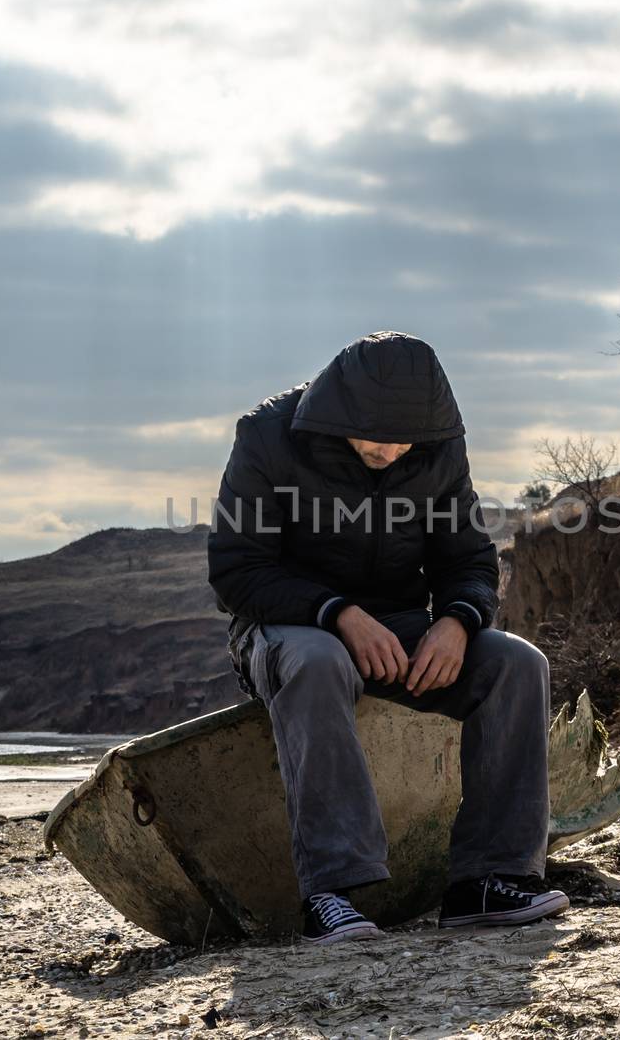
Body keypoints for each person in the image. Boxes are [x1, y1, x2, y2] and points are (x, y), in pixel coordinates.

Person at [206, 330, 568, 946]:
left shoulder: (438, 449)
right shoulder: (265, 437)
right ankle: (331, 894)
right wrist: (337, 612)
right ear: (338, 411)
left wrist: (457, 620)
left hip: (402, 626)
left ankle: (487, 881)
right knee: (320, 661)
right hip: (287, 630)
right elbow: (237, 571)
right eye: (377, 434)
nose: (393, 449)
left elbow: (470, 561)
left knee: (517, 663)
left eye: (407, 438)